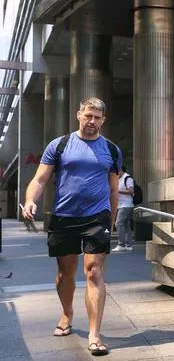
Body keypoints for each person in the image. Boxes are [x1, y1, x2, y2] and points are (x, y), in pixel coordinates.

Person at [21, 97, 121, 357]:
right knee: (65, 274)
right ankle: (67, 313)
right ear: (79, 115)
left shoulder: (111, 150)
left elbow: (113, 188)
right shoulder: (60, 145)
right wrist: (30, 200)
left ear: (103, 120)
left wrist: (112, 217)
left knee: (94, 273)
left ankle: (94, 335)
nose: (92, 121)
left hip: (97, 217)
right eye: (88, 116)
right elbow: (40, 179)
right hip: (64, 216)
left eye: (98, 117)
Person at [112, 169, 135, 252]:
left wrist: (118, 191)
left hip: (126, 205)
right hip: (121, 205)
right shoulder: (119, 179)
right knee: (126, 225)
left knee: (118, 223)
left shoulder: (127, 178)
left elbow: (131, 191)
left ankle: (121, 244)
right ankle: (128, 245)